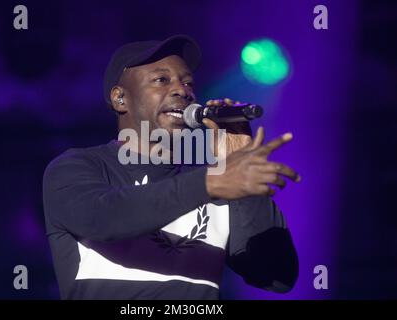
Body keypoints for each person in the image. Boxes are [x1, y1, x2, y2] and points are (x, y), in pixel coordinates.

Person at [42, 34, 300, 300]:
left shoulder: (219, 183)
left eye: (188, 82)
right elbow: (101, 218)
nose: (182, 90)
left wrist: (243, 174)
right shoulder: (76, 167)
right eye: (161, 80)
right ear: (120, 98)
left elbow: (276, 275)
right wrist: (211, 182)